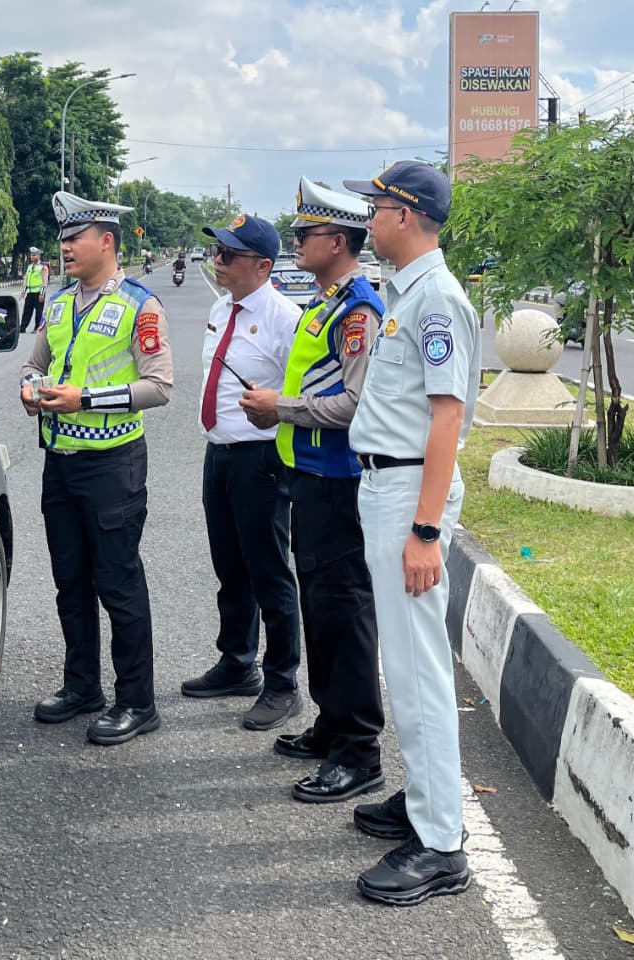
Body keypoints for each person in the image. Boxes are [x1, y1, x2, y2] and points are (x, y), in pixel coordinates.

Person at [337, 160, 480, 905]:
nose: (368, 220)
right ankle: (426, 800)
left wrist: (425, 529)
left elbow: (447, 417)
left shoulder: (436, 300)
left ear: (405, 214)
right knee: (403, 659)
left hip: (407, 494)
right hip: (385, 485)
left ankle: (441, 845)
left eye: (376, 207)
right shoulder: (406, 293)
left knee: (418, 668)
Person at [239, 180, 387, 802]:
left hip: (339, 481)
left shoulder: (357, 311)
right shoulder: (325, 303)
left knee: (345, 613)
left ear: (339, 241)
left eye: (307, 233)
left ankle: (358, 750)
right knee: (321, 608)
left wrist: (281, 408)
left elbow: (355, 403)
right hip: (309, 475)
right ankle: (331, 724)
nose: (297, 241)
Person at [20, 190, 173, 745]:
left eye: (74, 238)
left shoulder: (139, 305)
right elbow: (35, 363)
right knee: (70, 581)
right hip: (59, 463)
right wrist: (28, 388)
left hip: (112, 465)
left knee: (118, 583)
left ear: (106, 241)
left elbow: (159, 386)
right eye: (62, 239)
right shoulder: (60, 303)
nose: (64, 248)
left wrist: (84, 399)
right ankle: (82, 686)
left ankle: (137, 701)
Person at [181, 214, 302, 732]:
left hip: (261, 459)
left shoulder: (285, 318)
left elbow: (303, 395)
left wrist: (279, 408)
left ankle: (283, 682)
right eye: (218, 252)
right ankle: (237, 662)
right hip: (220, 452)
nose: (219, 261)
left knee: (268, 571)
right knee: (229, 565)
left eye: (229, 255)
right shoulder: (220, 307)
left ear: (263, 266)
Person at [21, 246, 47, 333]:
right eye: (31, 255)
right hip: (30, 293)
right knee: (26, 311)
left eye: (34, 255)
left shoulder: (43, 267)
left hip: (39, 293)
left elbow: (44, 281)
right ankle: (22, 327)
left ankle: (37, 327)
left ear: (39, 256)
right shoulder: (29, 267)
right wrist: (23, 292)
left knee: (39, 312)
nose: (32, 257)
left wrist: (42, 294)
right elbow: (26, 280)